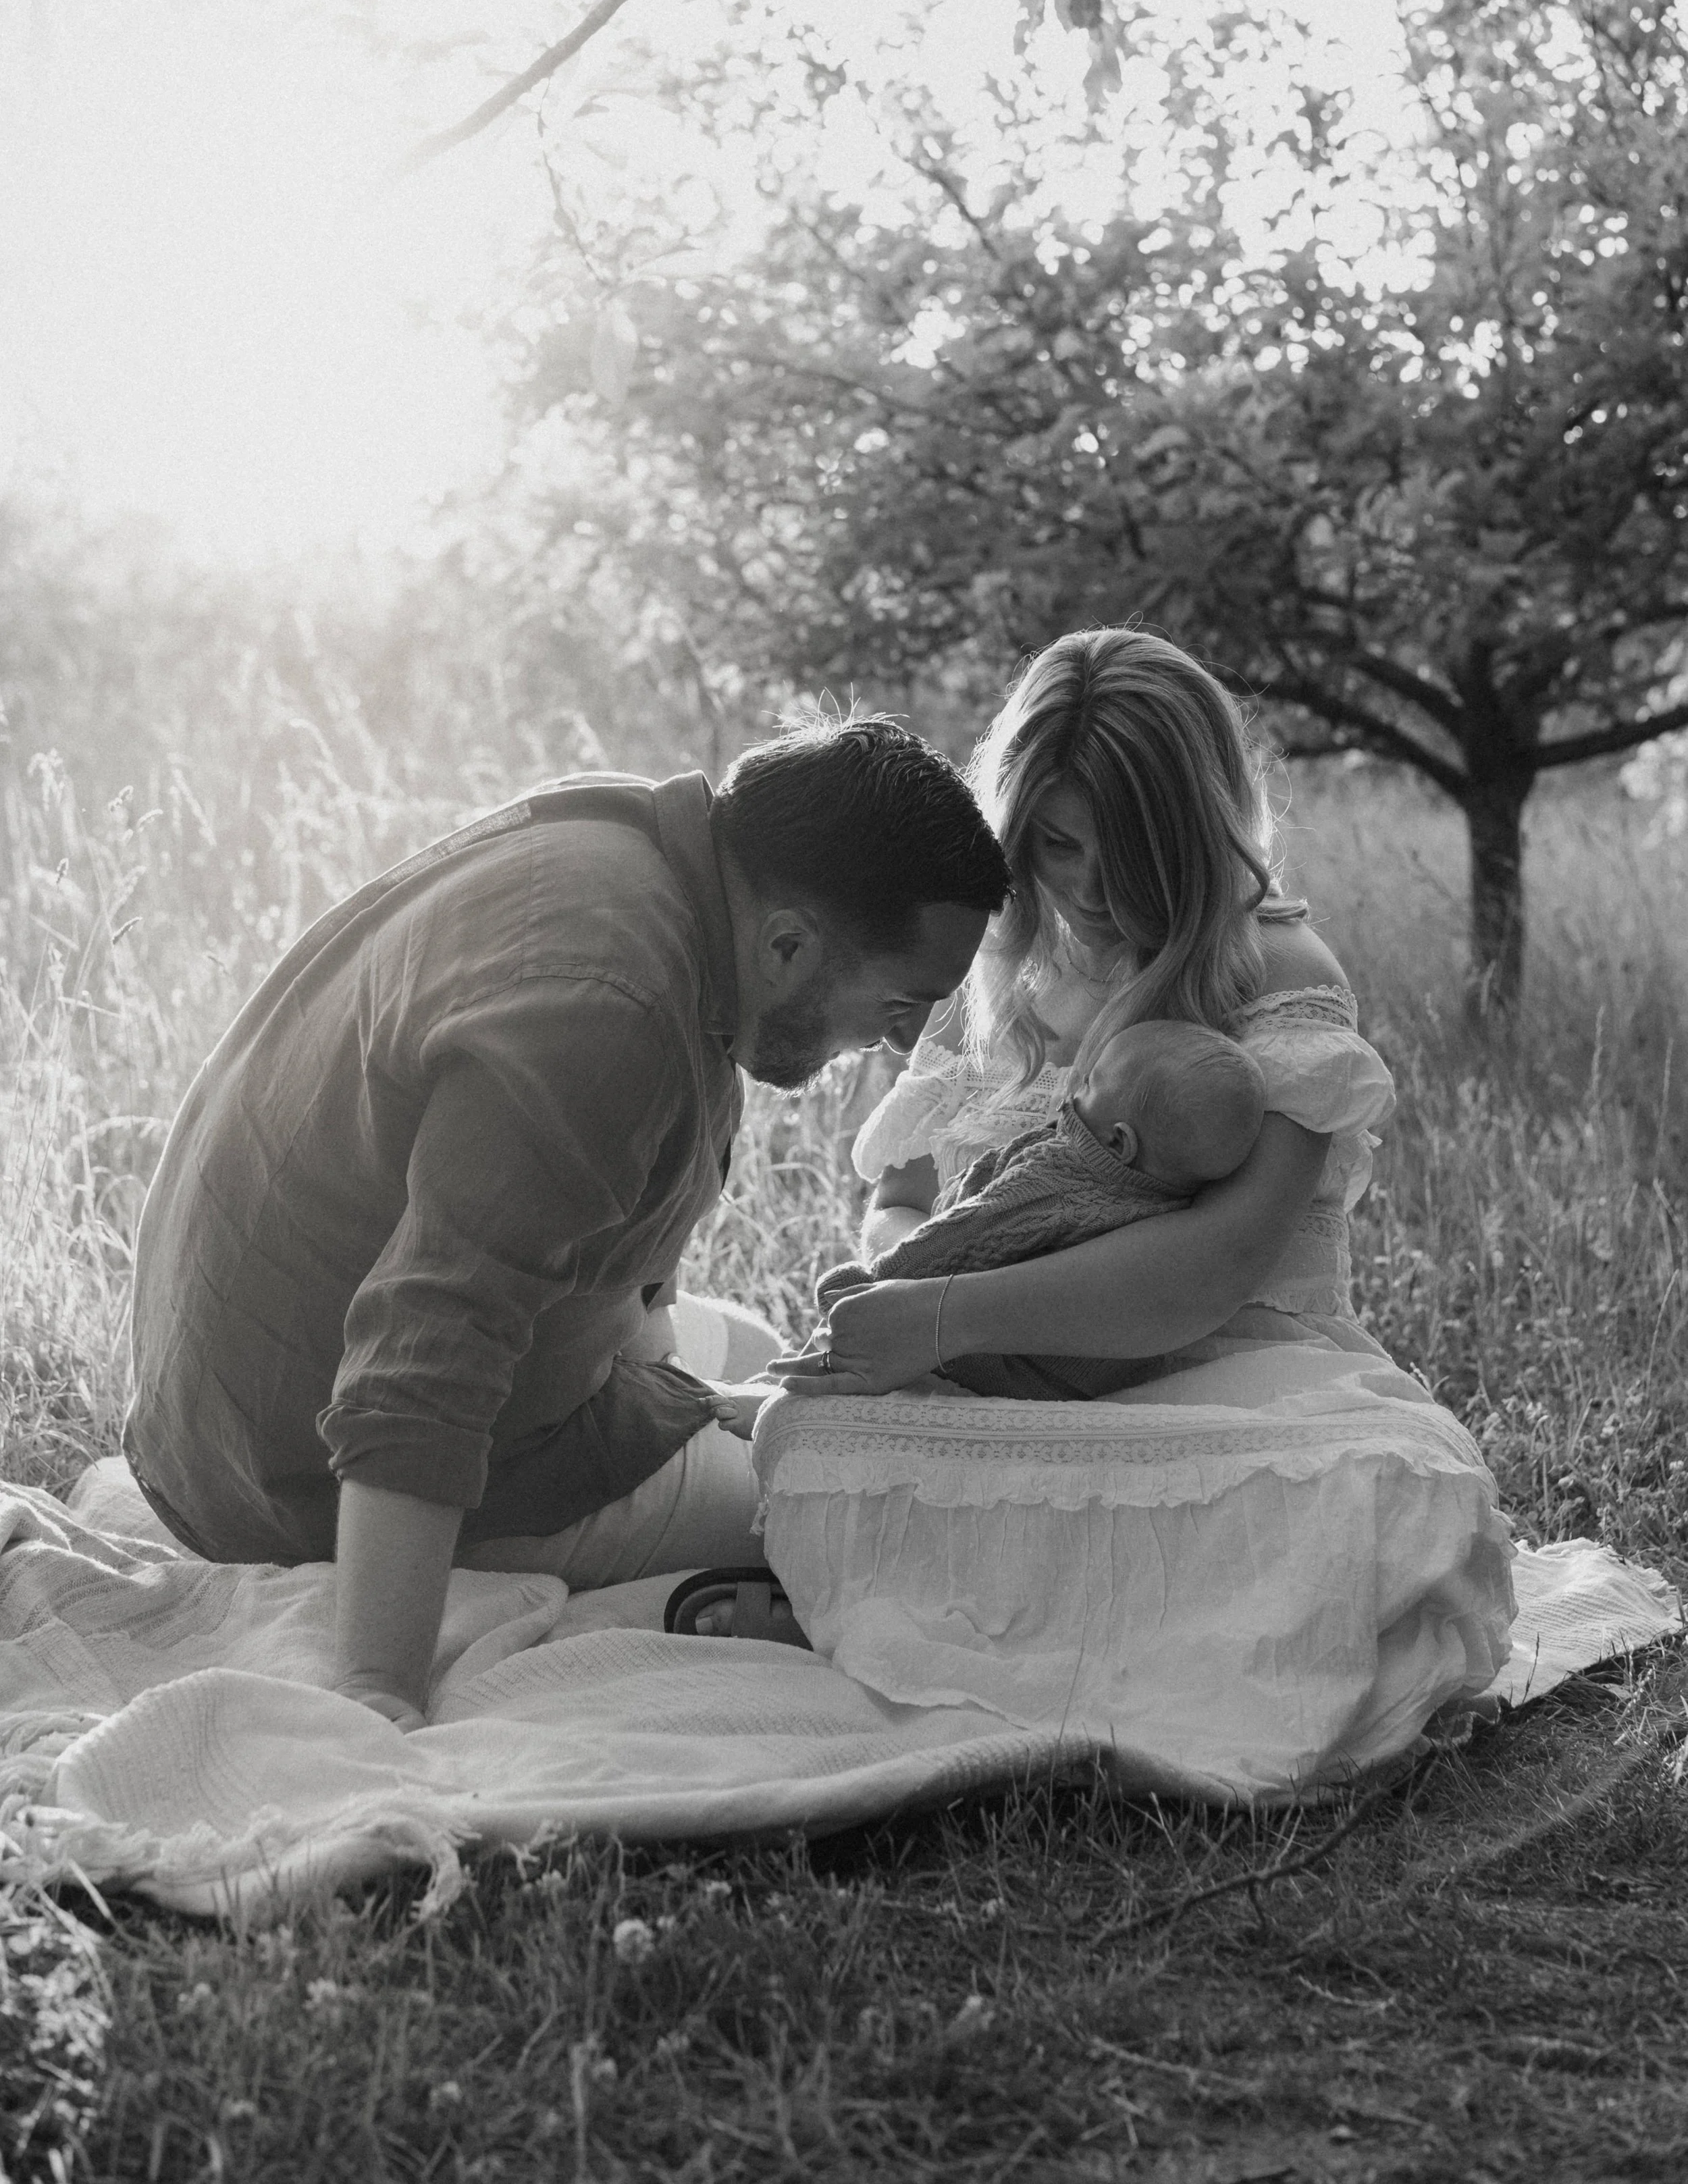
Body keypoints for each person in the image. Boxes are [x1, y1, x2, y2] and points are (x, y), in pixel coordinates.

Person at [122, 716, 1010, 1727]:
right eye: (902, 1003)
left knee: (762, 1356)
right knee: (844, 1489)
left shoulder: (639, 853)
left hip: (237, 1395)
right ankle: (638, 1604)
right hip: (288, 1463)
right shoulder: (608, 1009)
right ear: (789, 942)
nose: (901, 1043)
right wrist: (376, 1690)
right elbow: (428, 1349)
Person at [751, 630, 1512, 1779]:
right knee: (798, 1434)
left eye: (1133, 852)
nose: (1094, 887)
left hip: (1240, 1377)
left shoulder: (1281, 973)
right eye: (1059, 845)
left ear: (1199, 828)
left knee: (1383, 1491)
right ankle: (1077, 1624)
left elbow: (1211, 1273)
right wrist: (904, 1281)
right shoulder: (998, 959)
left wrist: (950, 1317)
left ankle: (986, 1620)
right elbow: (897, 1197)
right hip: (1003, 1380)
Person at [809, 1017, 1273, 1402]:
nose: (1072, 1093)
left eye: (1089, 1084)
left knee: (848, 1309)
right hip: (1093, 1377)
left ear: (1119, 1140)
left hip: (1009, 1364)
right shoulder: (1168, 1204)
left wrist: (877, 1288)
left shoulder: (1060, 1180)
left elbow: (970, 1230)